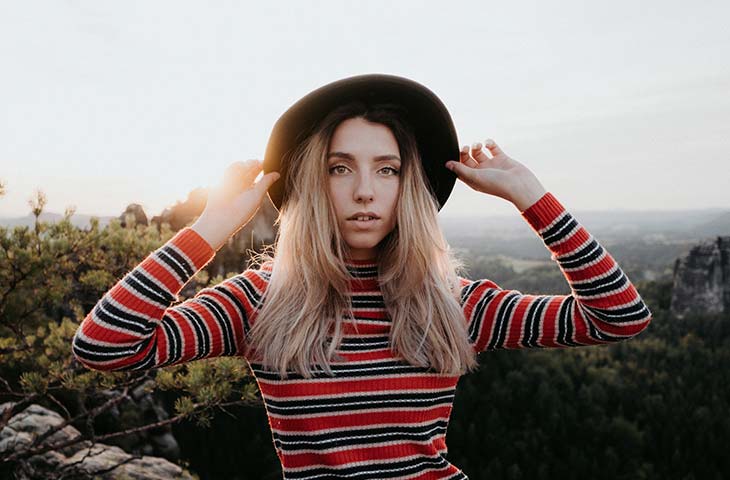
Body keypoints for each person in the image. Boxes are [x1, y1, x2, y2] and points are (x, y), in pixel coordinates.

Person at [71, 73, 653, 479]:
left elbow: (618, 317)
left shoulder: (451, 300)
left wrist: (532, 197)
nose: (365, 191)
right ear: (313, 184)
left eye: (388, 169)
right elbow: (104, 346)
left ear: (409, 186)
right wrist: (214, 225)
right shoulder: (261, 300)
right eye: (340, 168)